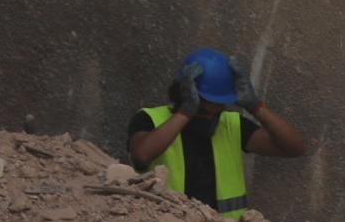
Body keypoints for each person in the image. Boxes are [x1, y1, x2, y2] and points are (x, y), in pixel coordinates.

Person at [127, 47, 306, 213]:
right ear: (183, 94)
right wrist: (186, 112)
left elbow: (294, 148)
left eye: (217, 111)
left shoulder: (232, 124)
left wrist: (256, 107)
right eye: (203, 111)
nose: (209, 118)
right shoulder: (150, 119)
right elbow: (142, 155)